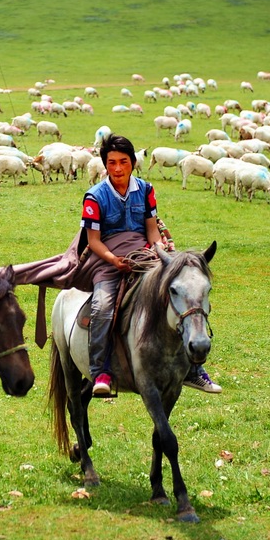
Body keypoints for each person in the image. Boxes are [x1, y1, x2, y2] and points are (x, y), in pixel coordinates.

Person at [78, 134, 221, 396]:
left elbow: (152, 231)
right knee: (102, 307)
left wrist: (161, 251)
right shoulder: (94, 197)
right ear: (104, 165)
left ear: (133, 162)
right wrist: (113, 260)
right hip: (108, 261)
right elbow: (94, 241)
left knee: (184, 294)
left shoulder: (145, 190)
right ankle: (100, 371)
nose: (118, 168)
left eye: (123, 162)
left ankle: (192, 368)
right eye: (111, 163)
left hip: (145, 256)